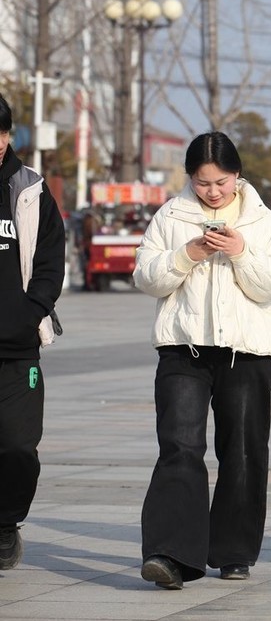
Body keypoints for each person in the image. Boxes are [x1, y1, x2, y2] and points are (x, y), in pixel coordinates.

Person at [132, 131, 271, 590]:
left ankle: (233, 550)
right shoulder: (171, 216)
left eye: (222, 181)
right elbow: (146, 277)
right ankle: (170, 554)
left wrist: (240, 252)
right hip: (184, 348)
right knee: (179, 446)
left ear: (237, 175)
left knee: (243, 449)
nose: (213, 191)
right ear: (189, 178)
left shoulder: (260, 219)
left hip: (247, 352)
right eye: (202, 182)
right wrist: (188, 254)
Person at [0, 92, 65, 570]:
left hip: (18, 346)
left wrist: (30, 313)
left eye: (0, 134)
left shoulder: (31, 189)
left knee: (19, 447)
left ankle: (5, 525)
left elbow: (49, 260)